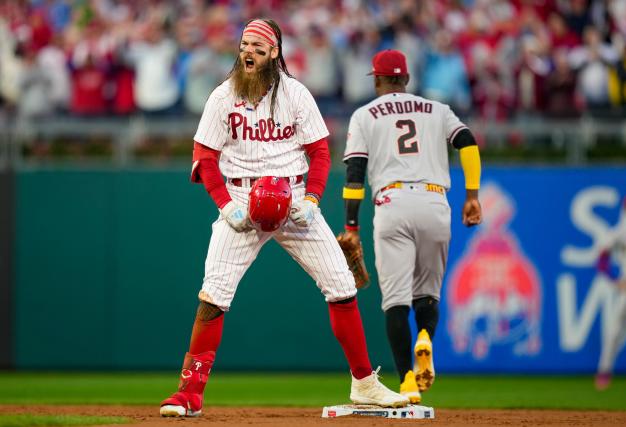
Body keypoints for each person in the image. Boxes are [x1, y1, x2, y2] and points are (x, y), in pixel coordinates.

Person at [159, 19, 408, 417]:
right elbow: (204, 158)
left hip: (293, 201)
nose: (248, 52)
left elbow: (321, 153)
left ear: (274, 52)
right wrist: (225, 205)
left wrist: (311, 199)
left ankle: (364, 385)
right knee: (214, 294)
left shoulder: (295, 93)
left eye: (258, 46)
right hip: (240, 197)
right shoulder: (223, 96)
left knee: (342, 284)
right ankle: (189, 394)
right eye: (244, 45)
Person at [341, 49, 483, 404]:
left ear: (377, 80)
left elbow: (355, 172)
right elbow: (467, 142)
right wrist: (473, 195)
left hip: (392, 203)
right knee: (428, 295)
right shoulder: (437, 109)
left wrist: (352, 225)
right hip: (435, 201)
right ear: (406, 79)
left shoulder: (364, 115)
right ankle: (425, 337)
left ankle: (406, 380)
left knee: (395, 302)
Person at [594, 193, 626, 391]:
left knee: (615, 330)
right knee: (614, 332)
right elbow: (601, 260)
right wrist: (615, 280)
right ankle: (604, 371)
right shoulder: (620, 233)